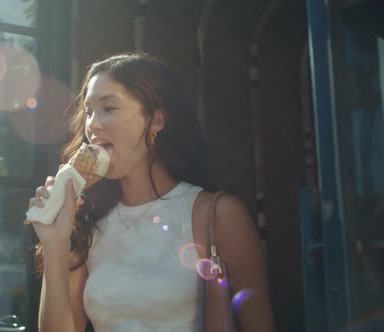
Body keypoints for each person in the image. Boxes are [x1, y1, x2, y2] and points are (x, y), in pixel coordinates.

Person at [28, 53, 275, 331]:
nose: (92, 125)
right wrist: (54, 244)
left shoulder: (219, 215)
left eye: (108, 108)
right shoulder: (88, 225)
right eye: (88, 112)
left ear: (156, 120)